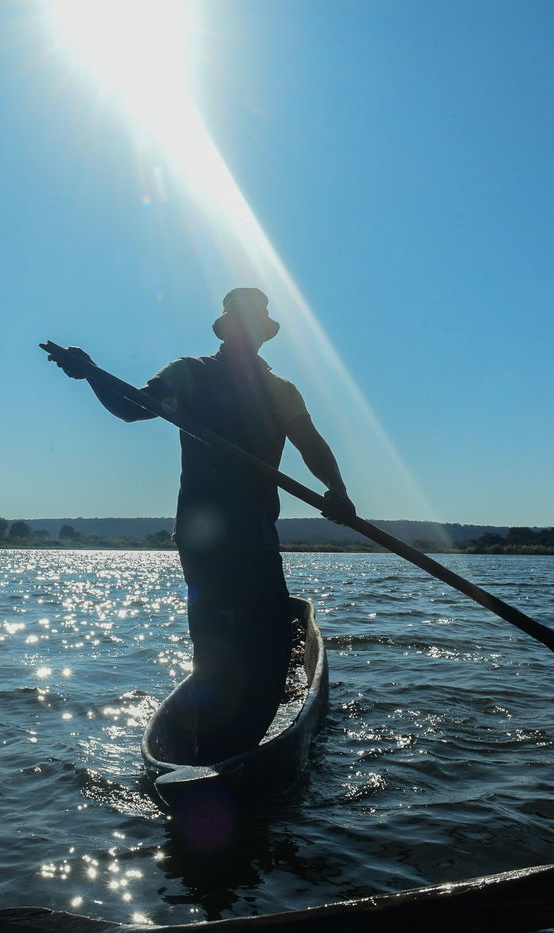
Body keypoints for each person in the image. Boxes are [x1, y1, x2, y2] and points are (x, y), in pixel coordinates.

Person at [48, 287, 355, 758]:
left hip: (255, 534)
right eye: (241, 324)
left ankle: (254, 725)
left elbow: (311, 445)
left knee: (270, 636)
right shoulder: (188, 374)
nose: (246, 333)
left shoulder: (280, 391)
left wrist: (338, 492)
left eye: (255, 326)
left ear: (262, 335)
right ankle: (211, 747)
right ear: (228, 329)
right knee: (215, 643)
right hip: (204, 537)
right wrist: (89, 373)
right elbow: (132, 408)